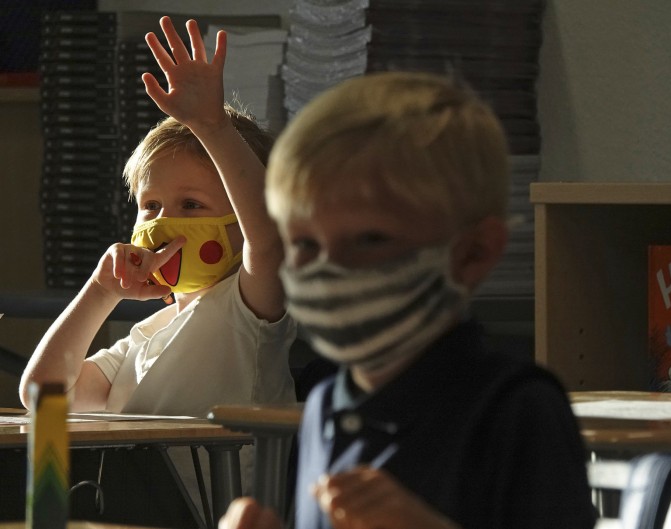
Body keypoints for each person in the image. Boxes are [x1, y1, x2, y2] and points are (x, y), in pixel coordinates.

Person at [219, 67, 598, 527]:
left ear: (472, 254)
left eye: (371, 239)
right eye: (305, 245)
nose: (329, 268)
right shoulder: (323, 405)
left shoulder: (516, 410)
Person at [18, 15, 296, 526]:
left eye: (191, 205)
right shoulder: (145, 336)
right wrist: (100, 292)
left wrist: (211, 126)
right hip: (126, 510)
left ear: (239, 222)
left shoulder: (249, 309)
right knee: (41, 477)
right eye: (151, 206)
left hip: (204, 515)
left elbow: (270, 240)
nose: (165, 221)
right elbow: (43, 397)